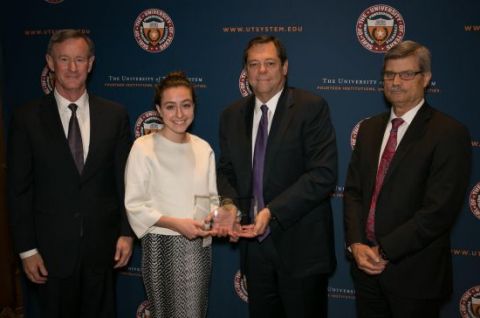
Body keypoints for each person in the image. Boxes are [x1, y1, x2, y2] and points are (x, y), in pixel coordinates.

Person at [7, 29, 134, 317]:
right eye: (64, 59)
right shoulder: (26, 118)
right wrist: (26, 250)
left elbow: (125, 181)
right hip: (50, 255)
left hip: (103, 252)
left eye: (80, 59)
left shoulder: (114, 115)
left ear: (91, 63)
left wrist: (126, 233)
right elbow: (18, 191)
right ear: (50, 62)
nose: (73, 68)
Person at [343, 40, 471, 318]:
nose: (396, 82)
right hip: (365, 272)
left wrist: (384, 251)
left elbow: (439, 211)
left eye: (406, 74)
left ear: (425, 78)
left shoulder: (448, 133)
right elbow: (353, 192)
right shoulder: (369, 129)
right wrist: (356, 244)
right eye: (389, 74)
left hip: (415, 277)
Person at [217, 35, 337, 317]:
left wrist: (272, 211)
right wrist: (230, 204)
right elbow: (226, 170)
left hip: (301, 249)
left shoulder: (311, 107)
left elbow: (323, 174)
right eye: (254, 64)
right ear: (245, 71)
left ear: (285, 67)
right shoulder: (231, 115)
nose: (261, 70)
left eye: (269, 63)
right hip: (255, 251)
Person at [125, 71, 218, 318]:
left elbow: (212, 199)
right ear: (158, 109)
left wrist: (218, 219)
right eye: (170, 106)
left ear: (194, 106)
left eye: (185, 105)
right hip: (161, 247)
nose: (179, 114)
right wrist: (176, 224)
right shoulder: (142, 148)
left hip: (199, 249)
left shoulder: (203, 148)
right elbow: (135, 205)